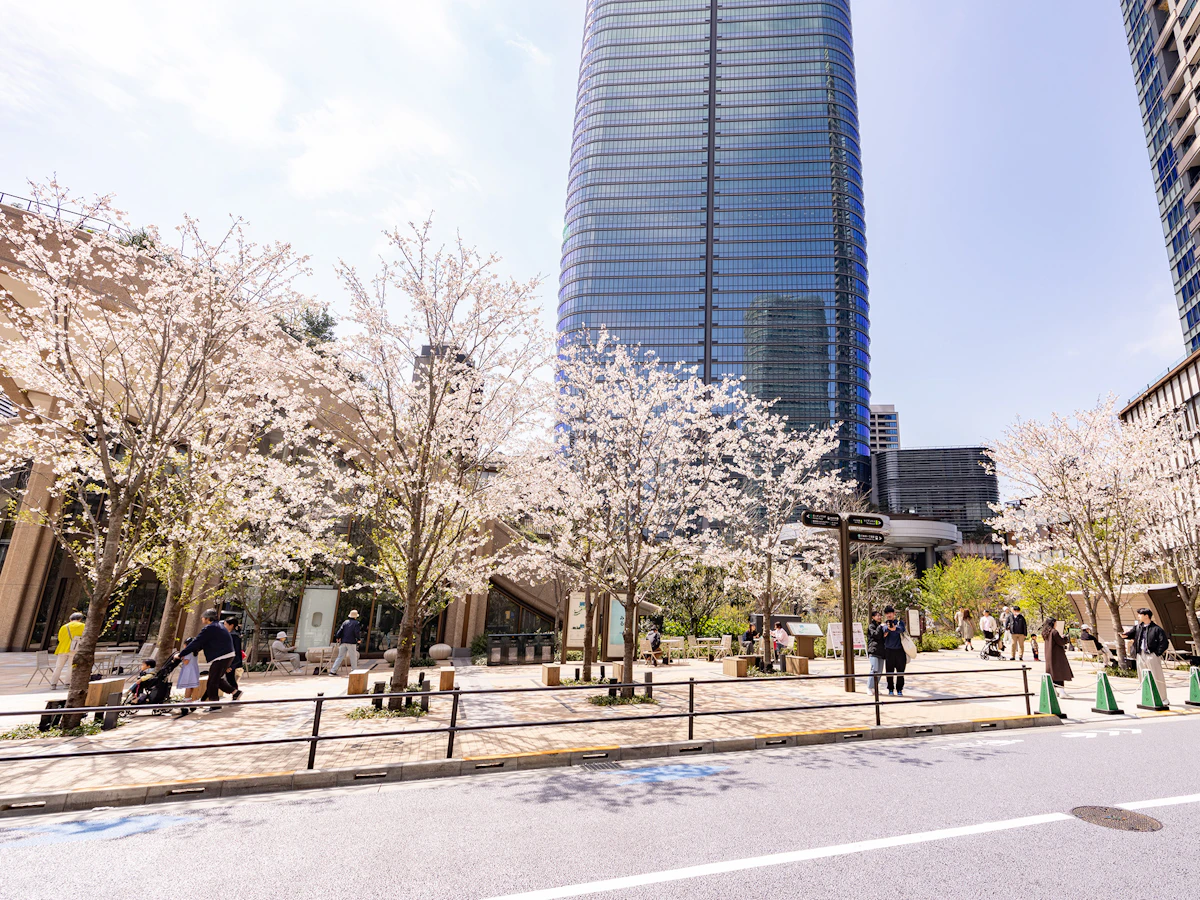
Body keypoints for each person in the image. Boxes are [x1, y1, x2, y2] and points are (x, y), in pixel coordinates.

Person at [173, 609, 236, 713]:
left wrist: (181, 654)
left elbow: (197, 642)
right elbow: (203, 643)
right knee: (215, 679)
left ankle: (215, 706)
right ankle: (234, 692)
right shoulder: (217, 626)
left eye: (203, 617)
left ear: (207, 618)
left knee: (212, 681)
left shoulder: (210, 628)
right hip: (226, 655)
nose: (201, 619)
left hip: (222, 656)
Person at [1123, 608, 1170, 701]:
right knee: (1142, 676)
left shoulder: (1156, 629)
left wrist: (1157, 653)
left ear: (1146, 616)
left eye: (1140, 614)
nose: (1138, 616)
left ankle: (1162, 698)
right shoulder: (1138, 627)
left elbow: (1164, 643)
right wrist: (1124, 635)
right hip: (1140, 654)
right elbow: (1130, 634)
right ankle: (1146, 696)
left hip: (1151, 654)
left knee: (1157, 676)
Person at [51, 611, 85, 689]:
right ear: (80, 619)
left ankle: (53, 684)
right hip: (74, 649)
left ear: (70, 619)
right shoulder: (83, 626)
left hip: (62, 649)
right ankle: (67, 684)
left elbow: (60, 638)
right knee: (70, 667)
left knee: (58, 667)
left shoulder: (64, 627)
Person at [881, 605, 907, 696]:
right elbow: (883, 630)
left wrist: (894, 628)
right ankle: (890, 689)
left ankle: (899, 689)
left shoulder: (899, 623)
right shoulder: (884, 624)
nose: (889, 615)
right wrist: (888, 628)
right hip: (889, 651)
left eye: (890, 613)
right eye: (887, 613)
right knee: (889, 672)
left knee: (900, 671)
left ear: (894, 613)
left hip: (900, 651)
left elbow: (901, 629)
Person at [1042, 617, 1073, 688]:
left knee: (1052, 672)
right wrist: (1065, 638)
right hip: (1056, 655)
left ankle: (1053, 688)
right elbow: (1061, 642)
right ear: (1053, 623)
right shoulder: (1054, 632)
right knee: (1059, 672)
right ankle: (1061, 689)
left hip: (1049, 654)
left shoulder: (1045, 632)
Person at [330, 609, 362, 675]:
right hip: (351, 642)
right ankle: (354, 671)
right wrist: (359, 639)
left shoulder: (345, 622)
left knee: (340, 656)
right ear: (355, 617)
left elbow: (340, 630)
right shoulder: (356, 623)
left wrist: (338, 637)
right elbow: (356, 632)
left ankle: (333, 671)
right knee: (353, 657)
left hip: (343, 641)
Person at [223, 617, 244, 701]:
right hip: (233, 660)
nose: (224, 626)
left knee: (229, 679)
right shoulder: (234, 635)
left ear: (231, 625)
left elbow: (233, 650)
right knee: (229, 678)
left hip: (231, 661)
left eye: (225, 624)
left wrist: (230, 664)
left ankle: (236, 693)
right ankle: (235, 694)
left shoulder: (233, 636)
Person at [866, 610, 887, 694]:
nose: (879, 617)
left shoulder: (881, 626)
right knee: (874, 669)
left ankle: (875, 687)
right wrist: (880, 627)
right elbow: (875, 635)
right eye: (877, 616)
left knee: (880, 671)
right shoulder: (871, 626)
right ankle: (869, 687)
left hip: (881, 651)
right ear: (873, 617)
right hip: (873, 650)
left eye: (880, 615)